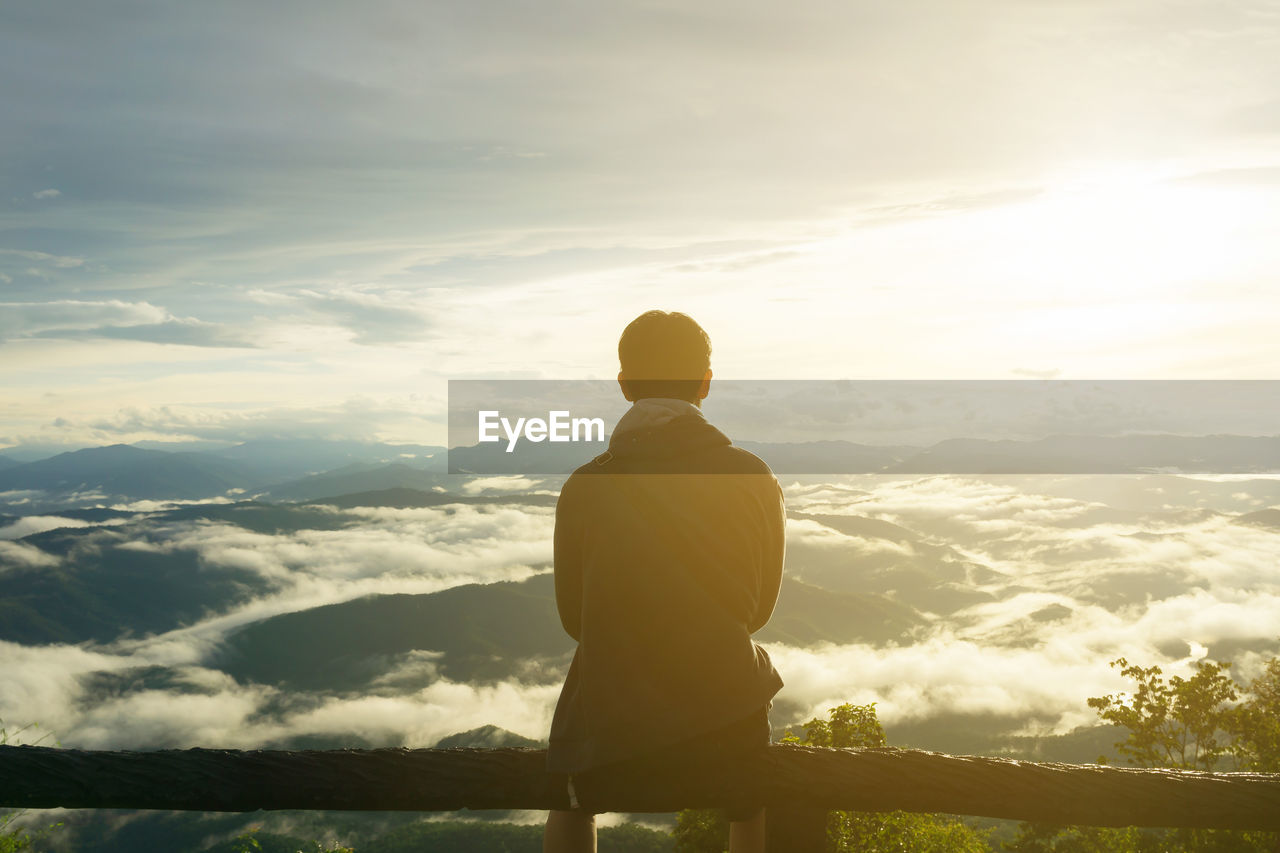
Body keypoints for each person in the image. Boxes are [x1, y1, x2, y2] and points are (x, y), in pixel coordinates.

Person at [543, 310, 786, 853]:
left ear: (624, 384)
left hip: (610, 715)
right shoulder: (752, 475)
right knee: (749, 802)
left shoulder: (585, 485)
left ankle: (575, 795)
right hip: (726, 714)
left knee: (570, 799)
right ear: (706, 384)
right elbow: (758, 610)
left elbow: (573, 619)